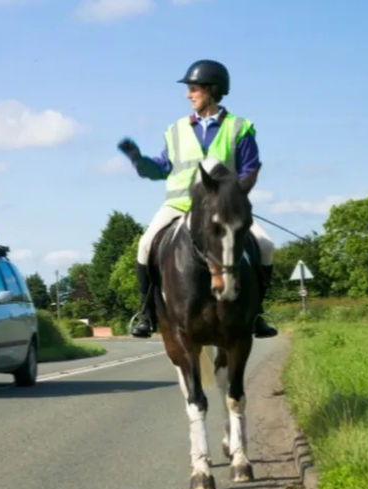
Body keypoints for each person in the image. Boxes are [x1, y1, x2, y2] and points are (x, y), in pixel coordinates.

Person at [117, 59, 278, 339]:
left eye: (194, 89)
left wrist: (231, 199)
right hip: (179, 206)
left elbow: (249, 168)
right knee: (144, 245)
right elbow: (162, 168)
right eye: (189, 89)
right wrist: (139, 161)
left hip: (224, 209)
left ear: (212, 90)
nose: (188, 95)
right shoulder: (176, 129)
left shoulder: (240, 128)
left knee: (265, 245)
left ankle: (257, 313)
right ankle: (146, 313)